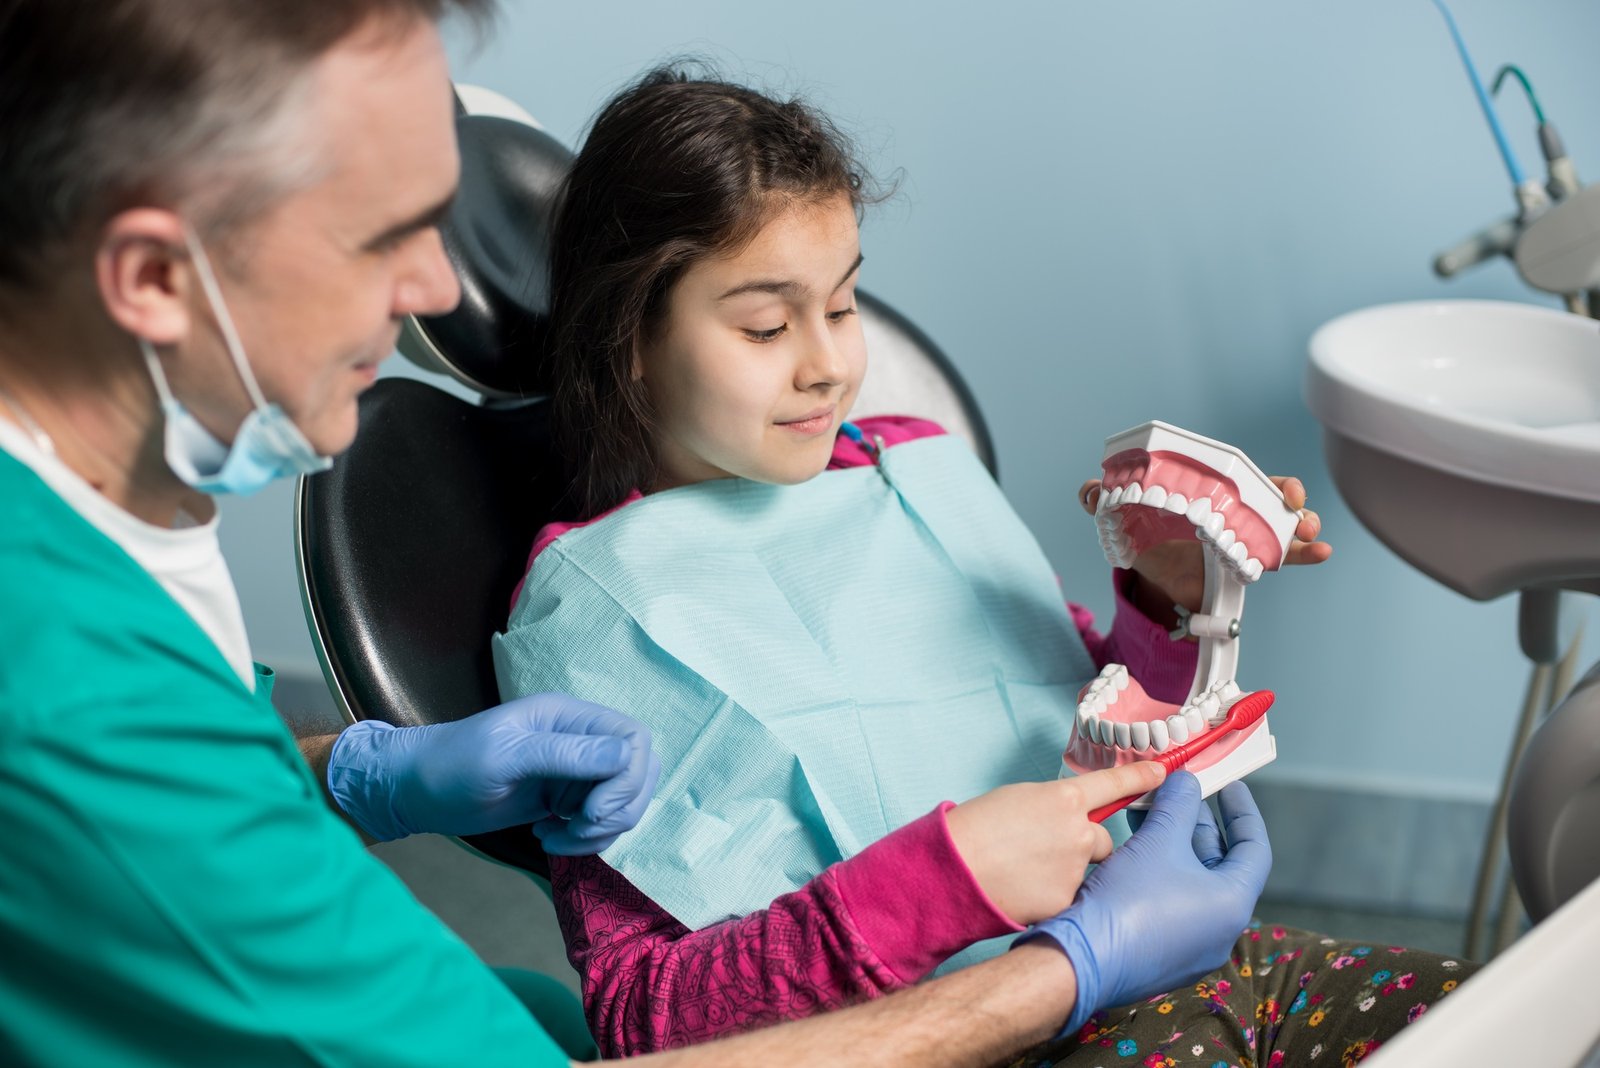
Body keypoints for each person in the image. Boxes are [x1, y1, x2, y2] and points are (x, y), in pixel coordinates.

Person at [0, 3, 1341, 1066]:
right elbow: (637, 1026)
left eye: (842, 306)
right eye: (383, 238)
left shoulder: (95, 557)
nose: (437, 293)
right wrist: (1062, 970)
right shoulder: (71, 697)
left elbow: (192, 763)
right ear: (155, 278)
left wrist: (351, 774)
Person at [493, 68, 1479, 1064]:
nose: (825, 364)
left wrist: (1171, 601)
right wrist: (944, 884)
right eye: (764, 325)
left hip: (1194, 966)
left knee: (1512, 1017)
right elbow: (642, 1020)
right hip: (998, 1037)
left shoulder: (911, 471)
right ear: (630, 340)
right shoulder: (597, 616)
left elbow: (1081, 713)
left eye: (840, 308)